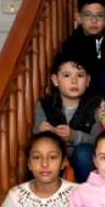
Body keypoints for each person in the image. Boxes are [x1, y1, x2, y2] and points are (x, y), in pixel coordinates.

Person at [34, 51, 101, 181]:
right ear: (55, 80)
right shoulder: (44, 105)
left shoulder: (98, 105)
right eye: (66, 75)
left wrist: (73, 136)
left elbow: (99, 139)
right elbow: (37, 134)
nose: (74, 81)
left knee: (83, 153)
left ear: (87, 81)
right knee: (44, 151)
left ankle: (90, 193)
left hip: (85, 159)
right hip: (55, 156)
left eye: (80, 76)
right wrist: (44, 133)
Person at [61, 0, 105, 100]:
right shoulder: (73, 43)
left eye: (99, 16)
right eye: (88, 15)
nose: (94, 21)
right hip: (84, 95)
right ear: (78, 17)